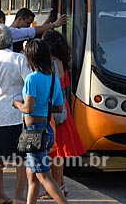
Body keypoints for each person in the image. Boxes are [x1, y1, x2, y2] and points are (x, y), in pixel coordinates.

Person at [0, 24, 32, 204]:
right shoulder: (20, 59)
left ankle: (0, 194)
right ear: (11, 40)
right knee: (20, 158)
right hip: (17, 115)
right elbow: (29, 84)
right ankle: (18, 196)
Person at [13, 39, 67, 204]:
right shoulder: (52, 79)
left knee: (43, 176)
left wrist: (16, 104)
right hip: (46, 129)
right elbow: (58, 107)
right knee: (33, 177)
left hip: (33, 132)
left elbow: (28, 108)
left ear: (30, 58)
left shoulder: (31, 79)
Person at [39, 30, 86, 199]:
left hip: (54, 108)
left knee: (54, 151)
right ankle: (60, 185)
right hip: (62, 106)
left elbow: (52, 85)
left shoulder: (51, 62)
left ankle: (57, 187)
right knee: (57, 151)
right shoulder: (62, 61)